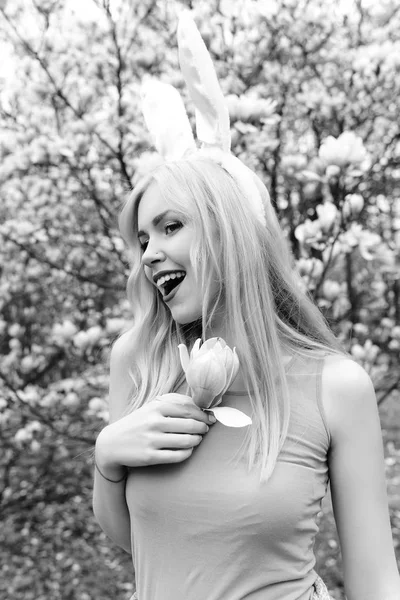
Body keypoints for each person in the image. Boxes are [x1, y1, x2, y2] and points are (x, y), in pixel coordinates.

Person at [92, 12, 400, 600]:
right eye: (144, 238)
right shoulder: (138, 361)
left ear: (233, 230)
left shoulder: (336, 386)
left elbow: (375, 580)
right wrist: (108, 457)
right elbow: (137, 540)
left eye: (171, 226)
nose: (150, 254)